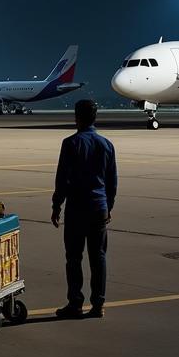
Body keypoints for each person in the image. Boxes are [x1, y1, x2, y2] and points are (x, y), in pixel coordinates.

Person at [50, 99, 117, 319]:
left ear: (77, 116)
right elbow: (112, 181)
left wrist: (56, 205)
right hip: (99, 207)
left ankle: (75, 303)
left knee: (74, 258)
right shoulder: (106, 144)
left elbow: (62, 179)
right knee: (98, 258)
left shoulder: (70, 143)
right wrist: (108, 206)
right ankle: (98, 304)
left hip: (77, 207)